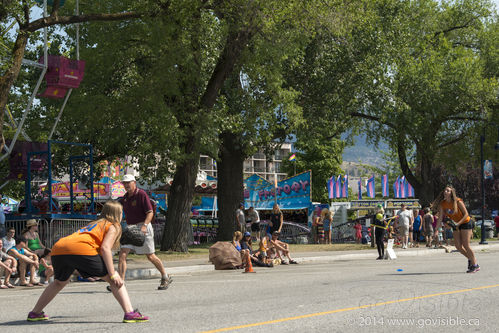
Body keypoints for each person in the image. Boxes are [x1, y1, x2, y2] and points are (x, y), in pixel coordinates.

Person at [27, 201, 149, 322]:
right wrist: (112, 273)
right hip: (80, 249)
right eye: (121, 212)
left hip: (59, 247)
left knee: (59, 282)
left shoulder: (94, 224)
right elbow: (105, 248)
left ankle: (35, 313)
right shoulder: (113, 226)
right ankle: (130, 313)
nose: (123, 214)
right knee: (115, 280)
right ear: (117, 214)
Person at [118, 174, 171, 290]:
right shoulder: (125, 198)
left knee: (150, 256)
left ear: (134, 182)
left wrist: (145, 225)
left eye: (128, 182)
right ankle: (120, 282)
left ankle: (165, 276)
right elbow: (121, 212)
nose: (126, 185)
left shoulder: (141, 194)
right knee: (122, 253)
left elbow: (150, 212)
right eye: (124, 183)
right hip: (130, 227)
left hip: (143, 225)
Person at [433, 186, 479, 273]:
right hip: (456, 224)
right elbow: (439, 218)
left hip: (465, 222)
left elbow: (466, 214)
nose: (445, 191)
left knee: (466, 245)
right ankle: (472, 259)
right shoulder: (442, 204)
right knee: (458, 246)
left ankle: (474, 265)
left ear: (451, 193)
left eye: (448, 190)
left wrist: (458, 223)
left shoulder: (458, 201)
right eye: (445, 190)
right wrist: (436, 230)